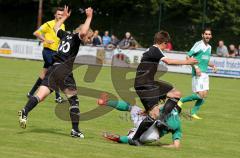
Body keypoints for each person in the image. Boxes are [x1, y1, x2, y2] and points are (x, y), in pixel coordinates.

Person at [18, 6, 93, 138]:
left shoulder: (64, 34)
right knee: (74, 101)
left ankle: (25, 110)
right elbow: (83, 31)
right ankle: (75, 130)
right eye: (89, 37)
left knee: (40, 95)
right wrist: (89, 17)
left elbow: (55, 28)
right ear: (82, 33)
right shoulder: (77, 37)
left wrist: (64, 17)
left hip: (53, 68)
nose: (88, 39)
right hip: (64, 70)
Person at [129, 31, 197, 146]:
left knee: (175, 93)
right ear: (162, 42)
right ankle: (135, 139)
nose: (167, 46)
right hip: (144, 84)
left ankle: (161, 120)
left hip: (149, 82)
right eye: (166, 44)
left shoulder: (153, 50)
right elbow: (168, 61)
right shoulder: (155, 49)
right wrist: (187, 62)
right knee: (154, 114)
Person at [98, 93, 182, 148]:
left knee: (131, 108)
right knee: (132, 139)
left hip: (148, 122)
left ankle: (105, 102)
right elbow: (176, 145)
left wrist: (145, 111)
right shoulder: (178, 125)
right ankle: (120, 138)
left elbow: (157, 108)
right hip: (152, 135)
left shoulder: (167, 108)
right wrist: (161, 146)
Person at [178, 28, 217, 120]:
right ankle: (181, 101)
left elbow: (205, 60)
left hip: (205, 73)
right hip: (197, 73)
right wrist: (196, 68)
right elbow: (188, 56)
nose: (207, 36)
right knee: (200, 95)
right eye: (206, 34)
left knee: (204, 96)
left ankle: (193, 113)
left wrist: (213, 66)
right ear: (202, 35)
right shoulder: (199, 44)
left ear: (211, 36)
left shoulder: (209, 47)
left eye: (209, 34)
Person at [29, 7, 65, 103]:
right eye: (58, 14)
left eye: (62, 14)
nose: (60, 16)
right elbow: (36, 33)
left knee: (44, 73)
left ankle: (31, 93)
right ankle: (58, 97)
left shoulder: (63, 25)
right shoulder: (49, 24)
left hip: (56, 53)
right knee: (55, 72)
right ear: (55, 15)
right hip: (48, 52)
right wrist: (45, 40)